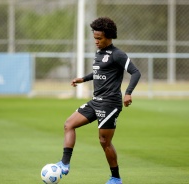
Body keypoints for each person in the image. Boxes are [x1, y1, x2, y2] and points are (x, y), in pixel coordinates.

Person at [56, 17, 141, 184]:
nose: (96, 41)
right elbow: (98, 73)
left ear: (108, 36)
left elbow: (136, 72)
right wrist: (83, 79)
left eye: (99, 38)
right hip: (96, 101)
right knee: (69, 124)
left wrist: (128, 93)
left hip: (110, 104)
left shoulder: (118, 55)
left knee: (104, 141)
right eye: (94, 38)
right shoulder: (99, 52)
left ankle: (115, 178)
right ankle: (65, 164)